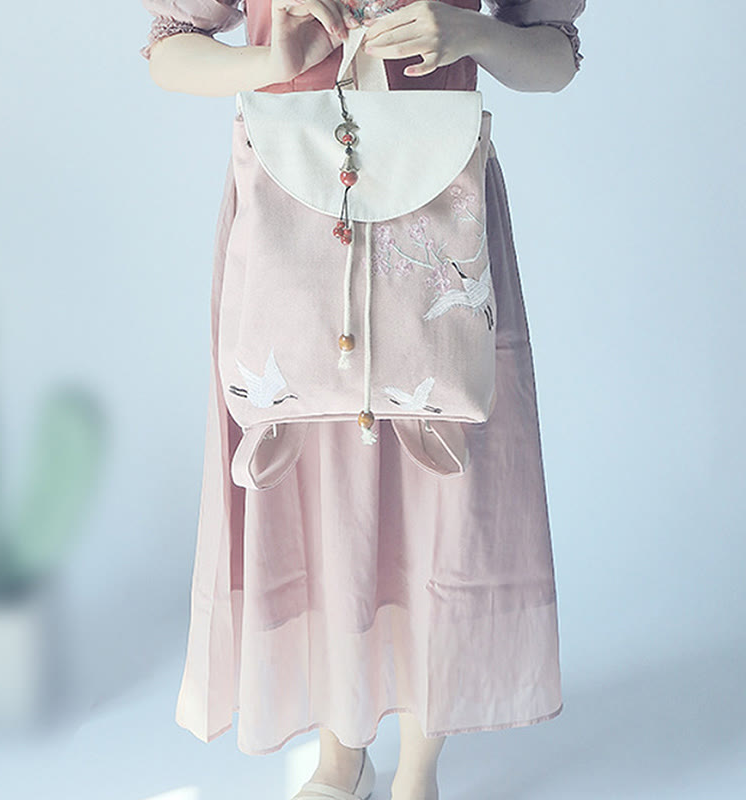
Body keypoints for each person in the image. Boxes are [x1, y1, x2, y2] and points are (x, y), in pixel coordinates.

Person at [140, 1, 586, 798]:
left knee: (443, 490)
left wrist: (471, 33)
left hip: (438, 216)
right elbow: (171, 49)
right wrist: (269, 62)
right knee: (320, 488)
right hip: (293, 221)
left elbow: (554, 56)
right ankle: (340, 753)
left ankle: (419, 769)